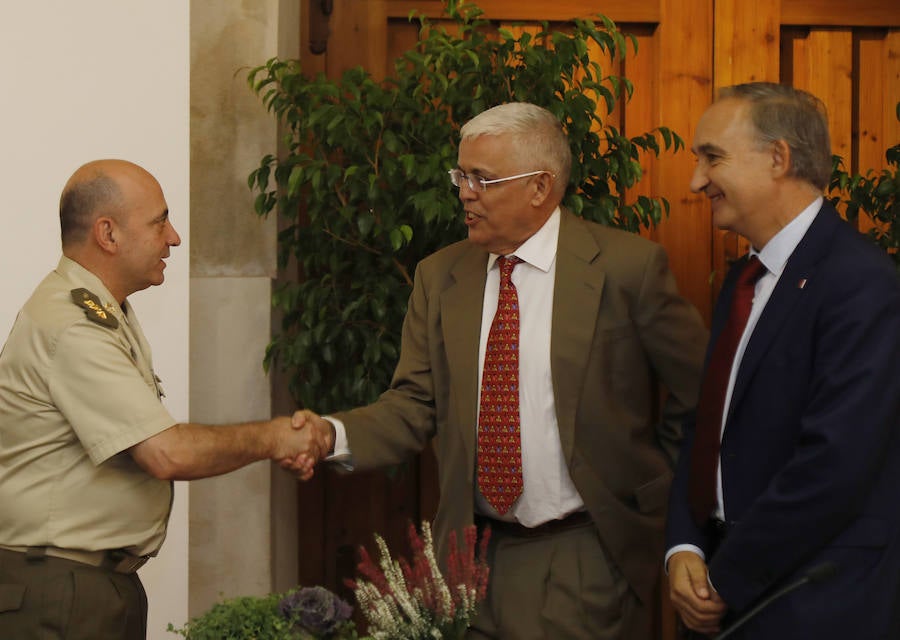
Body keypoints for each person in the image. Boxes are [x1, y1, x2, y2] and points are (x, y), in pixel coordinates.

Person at [290, 102, 709, 639]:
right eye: (461, 176)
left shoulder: (628, 269)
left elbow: (701, 394)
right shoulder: (439, 276)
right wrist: (333, 435)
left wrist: (653, 483)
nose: (465, 192)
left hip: (586, 551)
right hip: (469, 555)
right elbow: (413, 404)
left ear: (540, 186)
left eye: (482, 179)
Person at [0, 159, 325, 640]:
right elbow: (165, 452)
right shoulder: (72, 323)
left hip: (87, 586)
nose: (173, 237)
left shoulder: (104, 310)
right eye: (159, 221)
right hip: (60, 594)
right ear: (108, 234)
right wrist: (277, 436)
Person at [665, 83, 900, 639]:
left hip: (812, 604)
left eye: (712, 158)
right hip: (724, 591)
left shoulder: (861, 283)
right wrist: (684, 545)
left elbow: (834, 465)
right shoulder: (744, 280)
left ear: (778, 158)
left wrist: (723, 579)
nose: (696, 180)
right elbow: (706, 429)